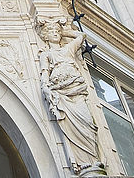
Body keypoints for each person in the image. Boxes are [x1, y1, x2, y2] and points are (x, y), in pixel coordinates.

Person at [37, 18, 101, 172]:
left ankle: (93, 159)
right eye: (50, 32)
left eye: (56, 32)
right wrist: (45, 87)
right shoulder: (46, 54)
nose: (54, 34)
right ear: (45, 36)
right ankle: (82, 162)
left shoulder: (68, 49)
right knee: (69, 123)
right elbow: (45, 72)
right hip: (60, 89)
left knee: (86, 121)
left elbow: (81, 35)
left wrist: (63, 30)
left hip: (75, 85)